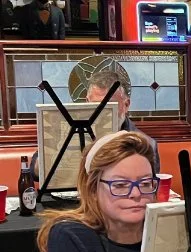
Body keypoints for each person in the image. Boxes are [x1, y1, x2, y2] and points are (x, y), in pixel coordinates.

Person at [32, 69, 161, 179]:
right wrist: (51, 157)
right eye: (96, 106)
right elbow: (34, 172)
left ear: (126, 105)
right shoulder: (69, 128)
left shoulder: (145, 144)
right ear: (87, 102)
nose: (101, 113)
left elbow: (148, 187)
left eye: (109, 106)